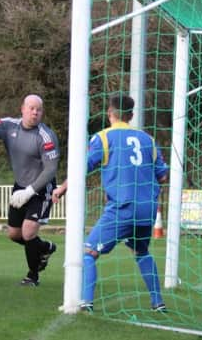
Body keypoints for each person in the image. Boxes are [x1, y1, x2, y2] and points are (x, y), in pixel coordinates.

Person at [52, 95, 168, 312]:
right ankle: (158, 302)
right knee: (141, 251)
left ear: (109, 113)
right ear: (131, 115)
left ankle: (86, 302)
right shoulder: (147, 139)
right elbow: (162, 176)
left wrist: (62, 188)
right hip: (147, 209)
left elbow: (82, 169)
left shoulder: (103, 138)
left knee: (88, 253)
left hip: (122, 207)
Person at [0, 94, 59, 287]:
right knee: (14, 234)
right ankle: (45, 247)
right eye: (31, 108)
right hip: (20, 186)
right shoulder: (10, 125)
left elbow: (51, 169)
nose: (35, 112)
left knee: (28, 233)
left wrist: (30, 191)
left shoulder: (46, 136)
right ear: (22, 109)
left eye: (39, 109)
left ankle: (32, 276)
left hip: (41, 189)